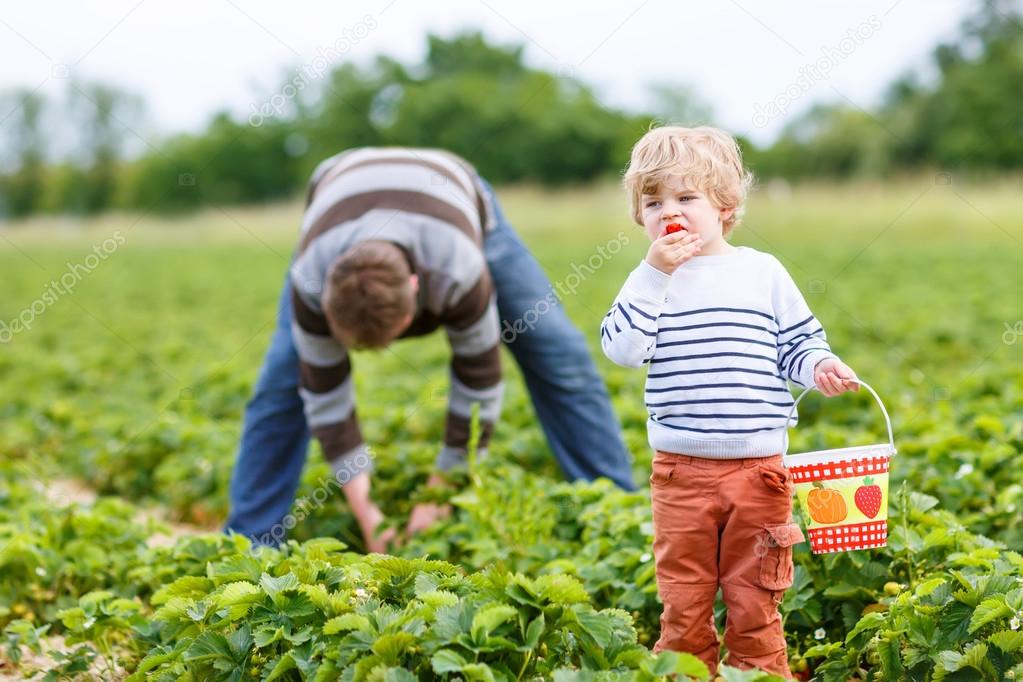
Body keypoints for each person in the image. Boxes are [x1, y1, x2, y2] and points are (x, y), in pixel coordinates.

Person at [226, 146, 635, 553]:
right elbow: (325, 397)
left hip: (456, 195)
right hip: (334, 195)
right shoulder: (311, 280)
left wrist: (441, 491)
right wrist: (368, 514)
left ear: (416, 290)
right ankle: (250, 541)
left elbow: (479, 382)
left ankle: (614, 513)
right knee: (282, 382)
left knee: (556, 350)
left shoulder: (457, 266)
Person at [600, 126, 858, 677]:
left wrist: (820, 366)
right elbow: (622, 350)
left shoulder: (761, 272)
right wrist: (653, 274)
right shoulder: (649, 282)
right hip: (680, 473)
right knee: (683, 601)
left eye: (686, 197)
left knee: (756, 602)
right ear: (639, 216)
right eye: (654, 201)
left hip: (759, 472)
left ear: (726, 206)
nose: (669, 211)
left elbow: (797, 343)